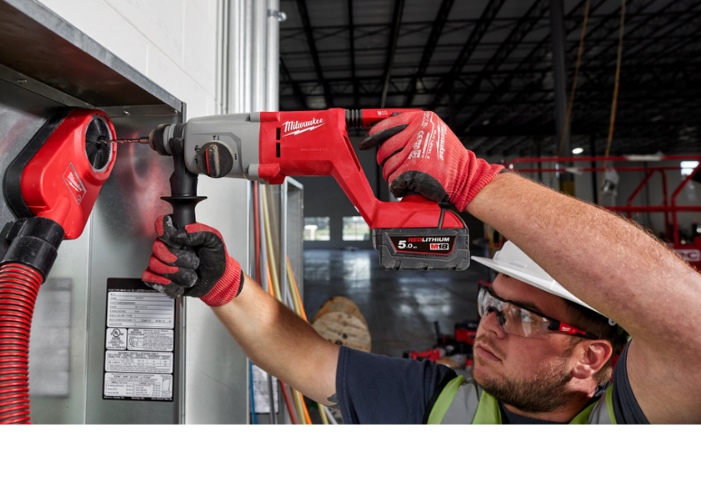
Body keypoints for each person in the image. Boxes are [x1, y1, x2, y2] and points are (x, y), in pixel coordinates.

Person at [142, 111, 701, 424]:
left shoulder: (632, 425)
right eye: (492, 304)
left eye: (523, 317)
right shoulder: (439, 402)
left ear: (590, 358)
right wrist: (226, 285)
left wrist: (473, 180)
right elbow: (306, 359)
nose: (489, 325)